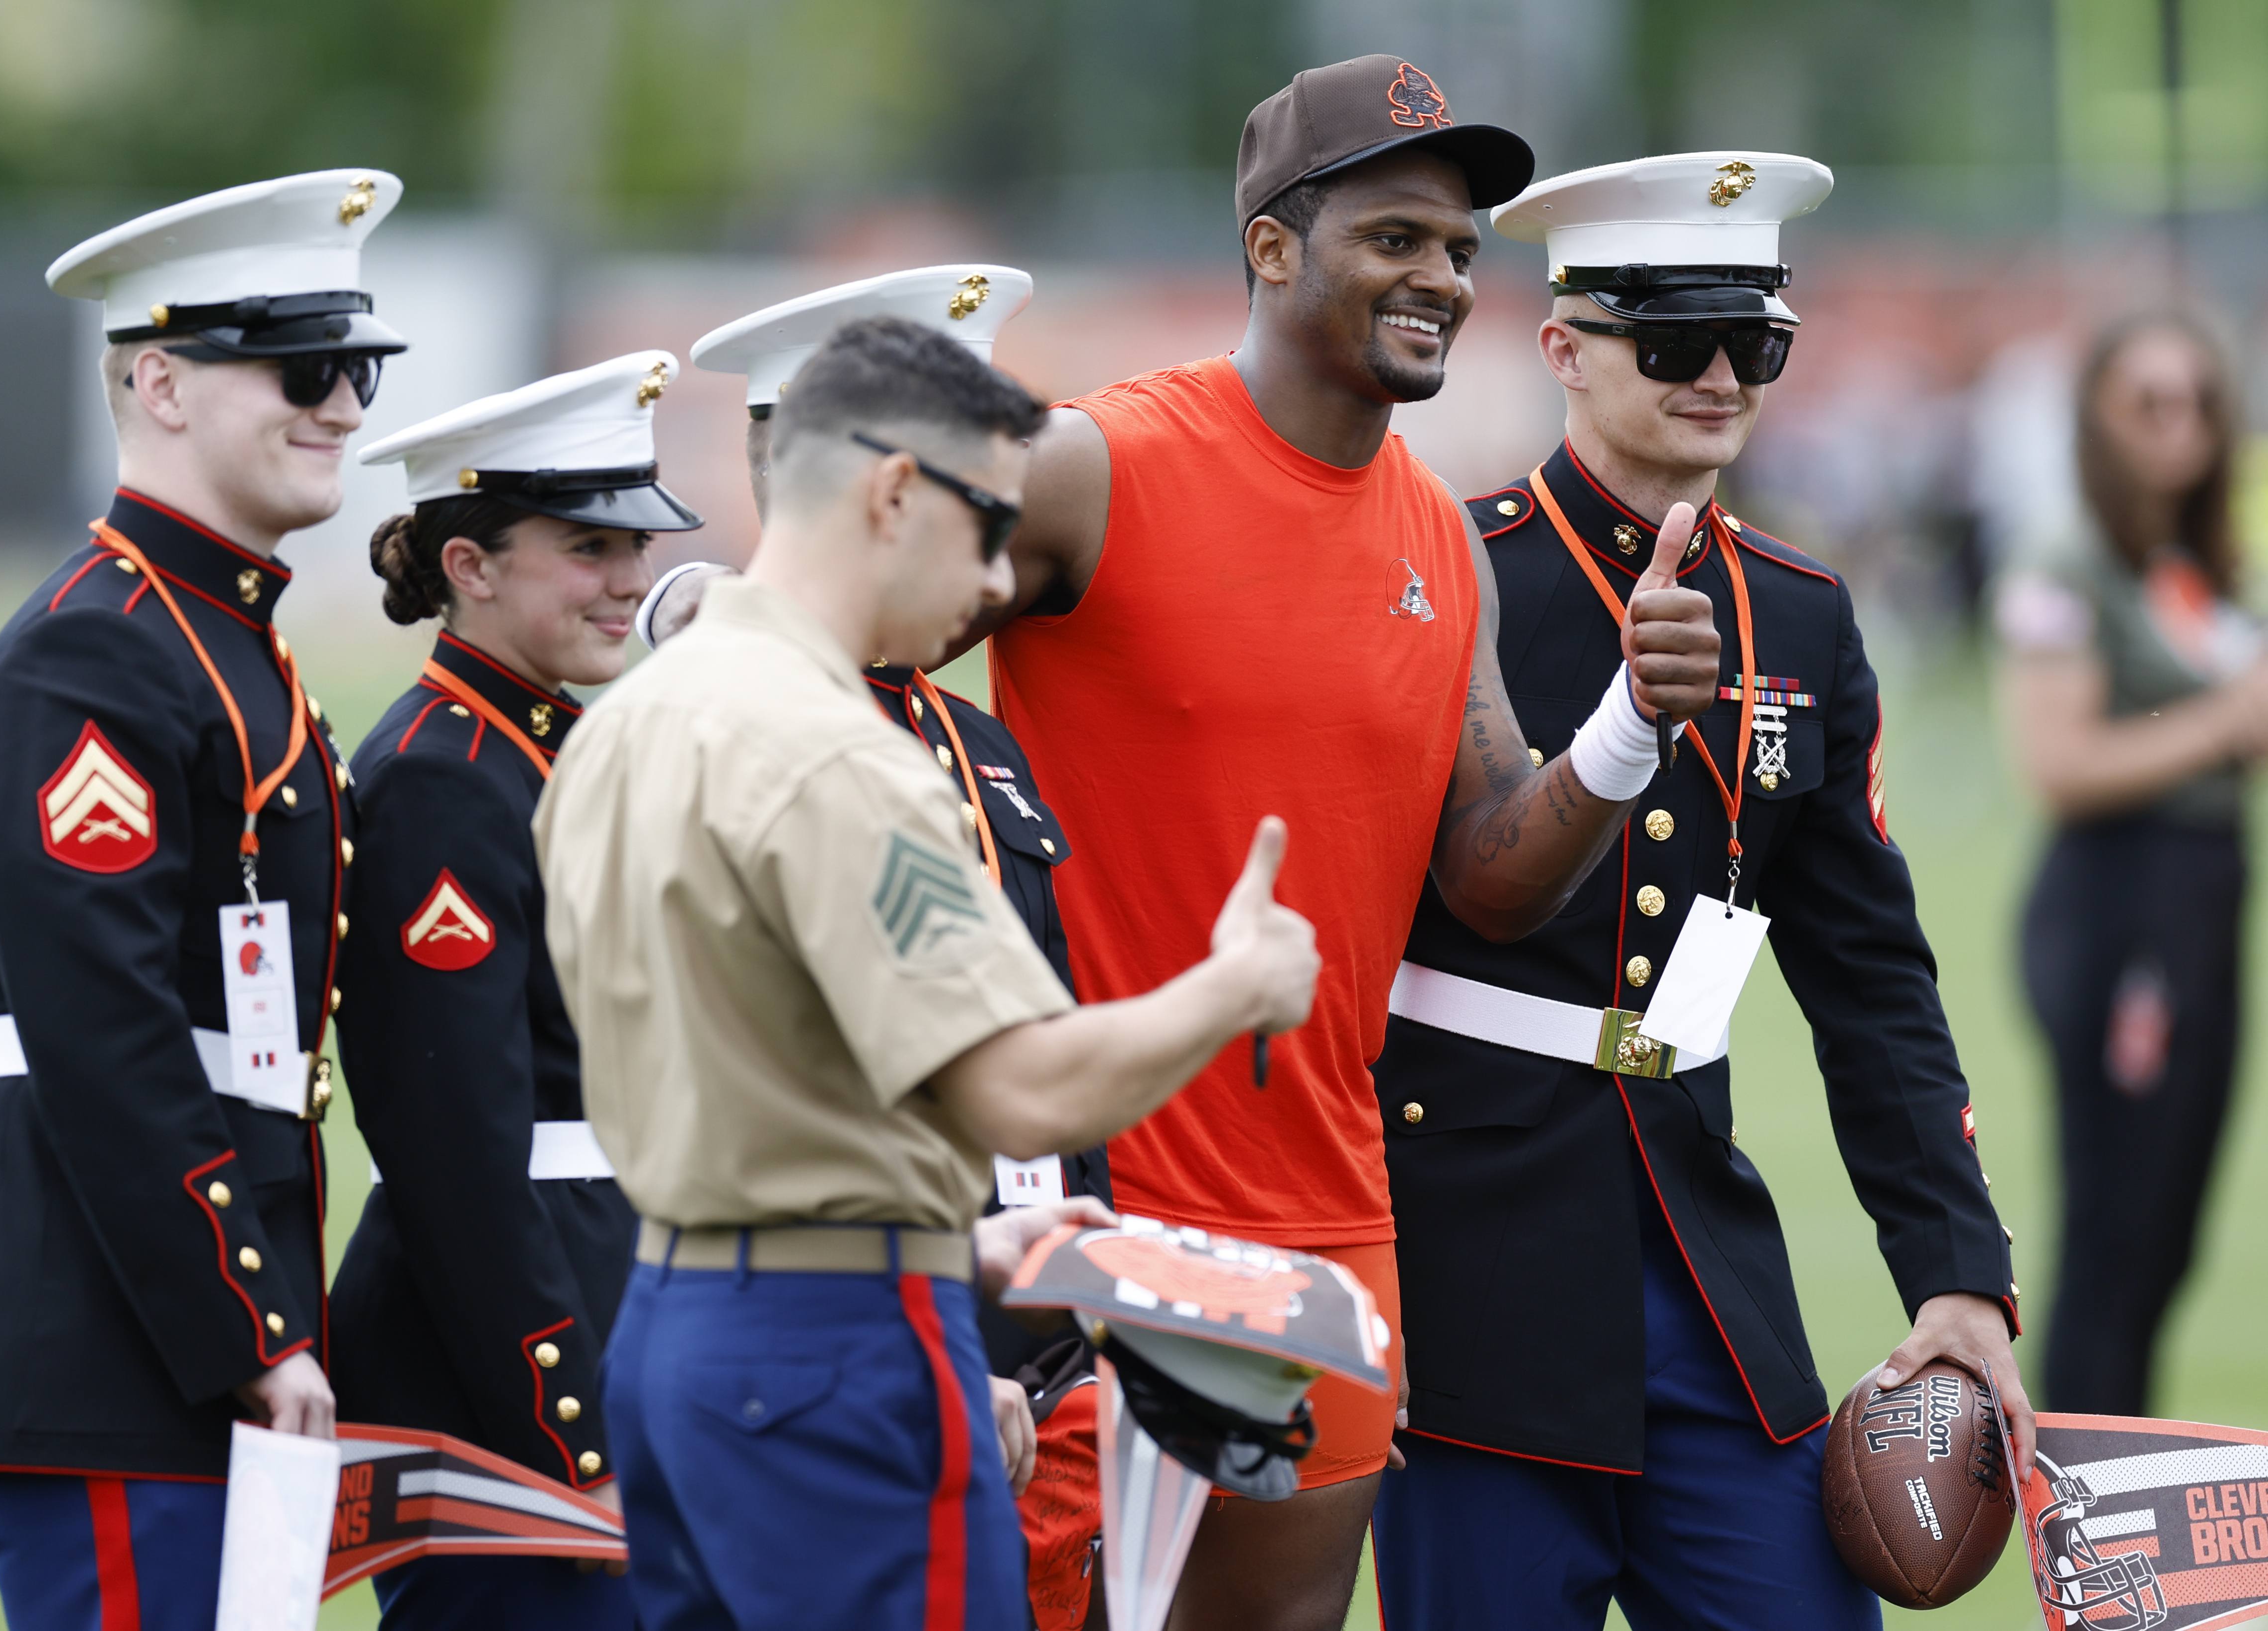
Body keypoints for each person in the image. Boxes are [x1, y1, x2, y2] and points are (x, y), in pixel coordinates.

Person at [966, 55, 1723, 1630]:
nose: (1440, 277)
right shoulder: (1091, 466)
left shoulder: (1437, 532)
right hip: (1091, 1213)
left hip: (1330, 1221)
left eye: (1457, 249)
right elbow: (860, 601)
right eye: (1394, 238)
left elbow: (1492, 876)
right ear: (1269, 249)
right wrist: (700, 616)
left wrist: (1628, 732)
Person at [532, 315, 1321, 1631]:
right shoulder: (839, 753)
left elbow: (746, 1069)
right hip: (834, 1339)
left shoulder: (624, 723)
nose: (1000, 577)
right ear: (895, 491)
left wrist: (965, 1235)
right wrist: (1235, 982)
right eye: (986, 524)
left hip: (671, 1321)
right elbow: (1024, 1092)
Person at [1363, 149, 2030, 1630]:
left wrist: (1954, 1273)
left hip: (1697, 1259)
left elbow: (1870, 983)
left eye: (1757, 342)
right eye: (1673, 339)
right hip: (1465, 1269)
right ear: (1561, 349)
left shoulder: (1797, 611)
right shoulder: (1440, 576)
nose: (1721, 375)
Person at [0, 169, 406, 1628]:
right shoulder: (92, 657)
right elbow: (101, 1033)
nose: (347, 408)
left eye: (358, 367)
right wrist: (247, 1323)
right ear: (162, 383)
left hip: (189, 1336)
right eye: (302, 368)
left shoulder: (220, 638)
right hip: (120, 1336)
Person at [683, 266, 1106, 1629]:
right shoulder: (732, 738)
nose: (1002, 554)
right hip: (852, 1362)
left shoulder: (966, 736)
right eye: (973, 502)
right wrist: (917, 1347)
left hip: (1034, 1366)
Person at [321, 351, 705, 1629]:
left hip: (612, 1293)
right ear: (470, 567)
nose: (631, 583)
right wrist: (572, 1428)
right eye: (590, 547)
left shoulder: (549, 748)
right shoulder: (441, 777)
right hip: (503, 1371)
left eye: (637, 547)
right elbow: (455, 1154)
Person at [1996, 312, 2268, 1416]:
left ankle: (2132, 1523)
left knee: (2167, 1244)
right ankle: (2085, 1533)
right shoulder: (2066, 560)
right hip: (2119, 913)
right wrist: (2228, 721)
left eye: (2199, 402)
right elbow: (2058, 762)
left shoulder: (2191, 566)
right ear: (2095, 417)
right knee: (2115, 1239)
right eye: (2149, 402)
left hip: (2202, 900)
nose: (2181, 429)